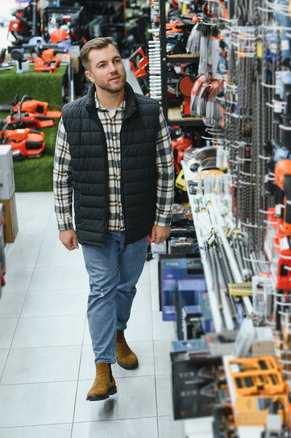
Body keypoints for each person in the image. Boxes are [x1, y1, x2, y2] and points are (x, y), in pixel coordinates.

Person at [52, 37, 174, 401]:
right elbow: (62, 174)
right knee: (102, 289)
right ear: (90, 74)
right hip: (95, 227)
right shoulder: (72, 116)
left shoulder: (150, 112)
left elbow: (166, 169)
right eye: (102, 64)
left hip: (137, 222)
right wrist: (64, 223)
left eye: (116, 60)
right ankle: (103, 368)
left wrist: (163, 217)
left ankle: (119, 333)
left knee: (126, 286)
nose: (113, 69)